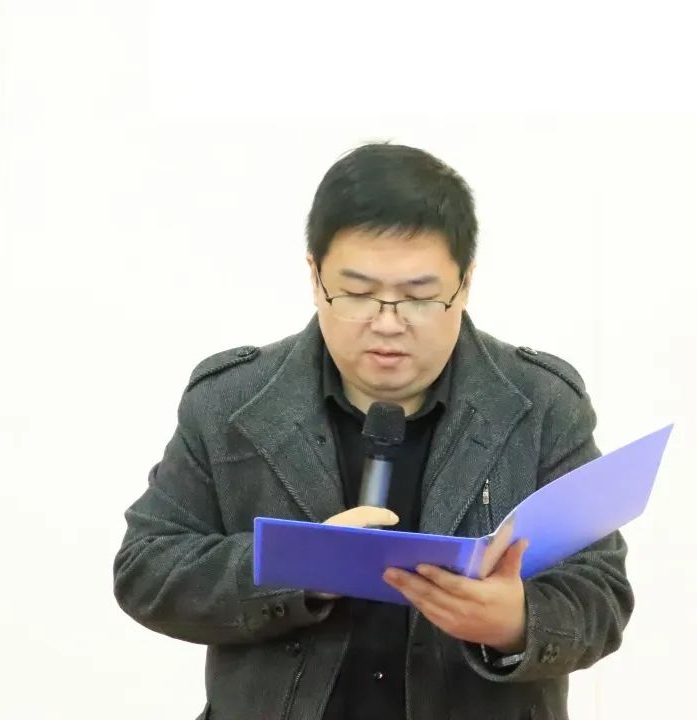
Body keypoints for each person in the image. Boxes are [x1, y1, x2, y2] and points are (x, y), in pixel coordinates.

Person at [112, 143, 634, 720]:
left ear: (464, 283)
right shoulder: (230, 402)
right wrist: (297, 566)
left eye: (420, 297)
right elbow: (147, 568)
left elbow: (602, 593)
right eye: (358, 293)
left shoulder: (542, 405)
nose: (388, 323)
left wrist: (515, 622)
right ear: (315, 276)